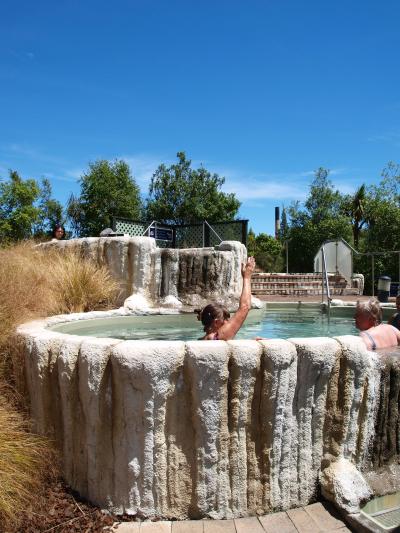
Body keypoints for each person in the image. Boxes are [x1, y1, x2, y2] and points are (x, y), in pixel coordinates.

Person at [196, 256, 256, 340]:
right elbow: (245, 307)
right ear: (216, 322)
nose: (228, 322)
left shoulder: (202, 340)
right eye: (225, 319)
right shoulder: (217, 337)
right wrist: (247, 277)